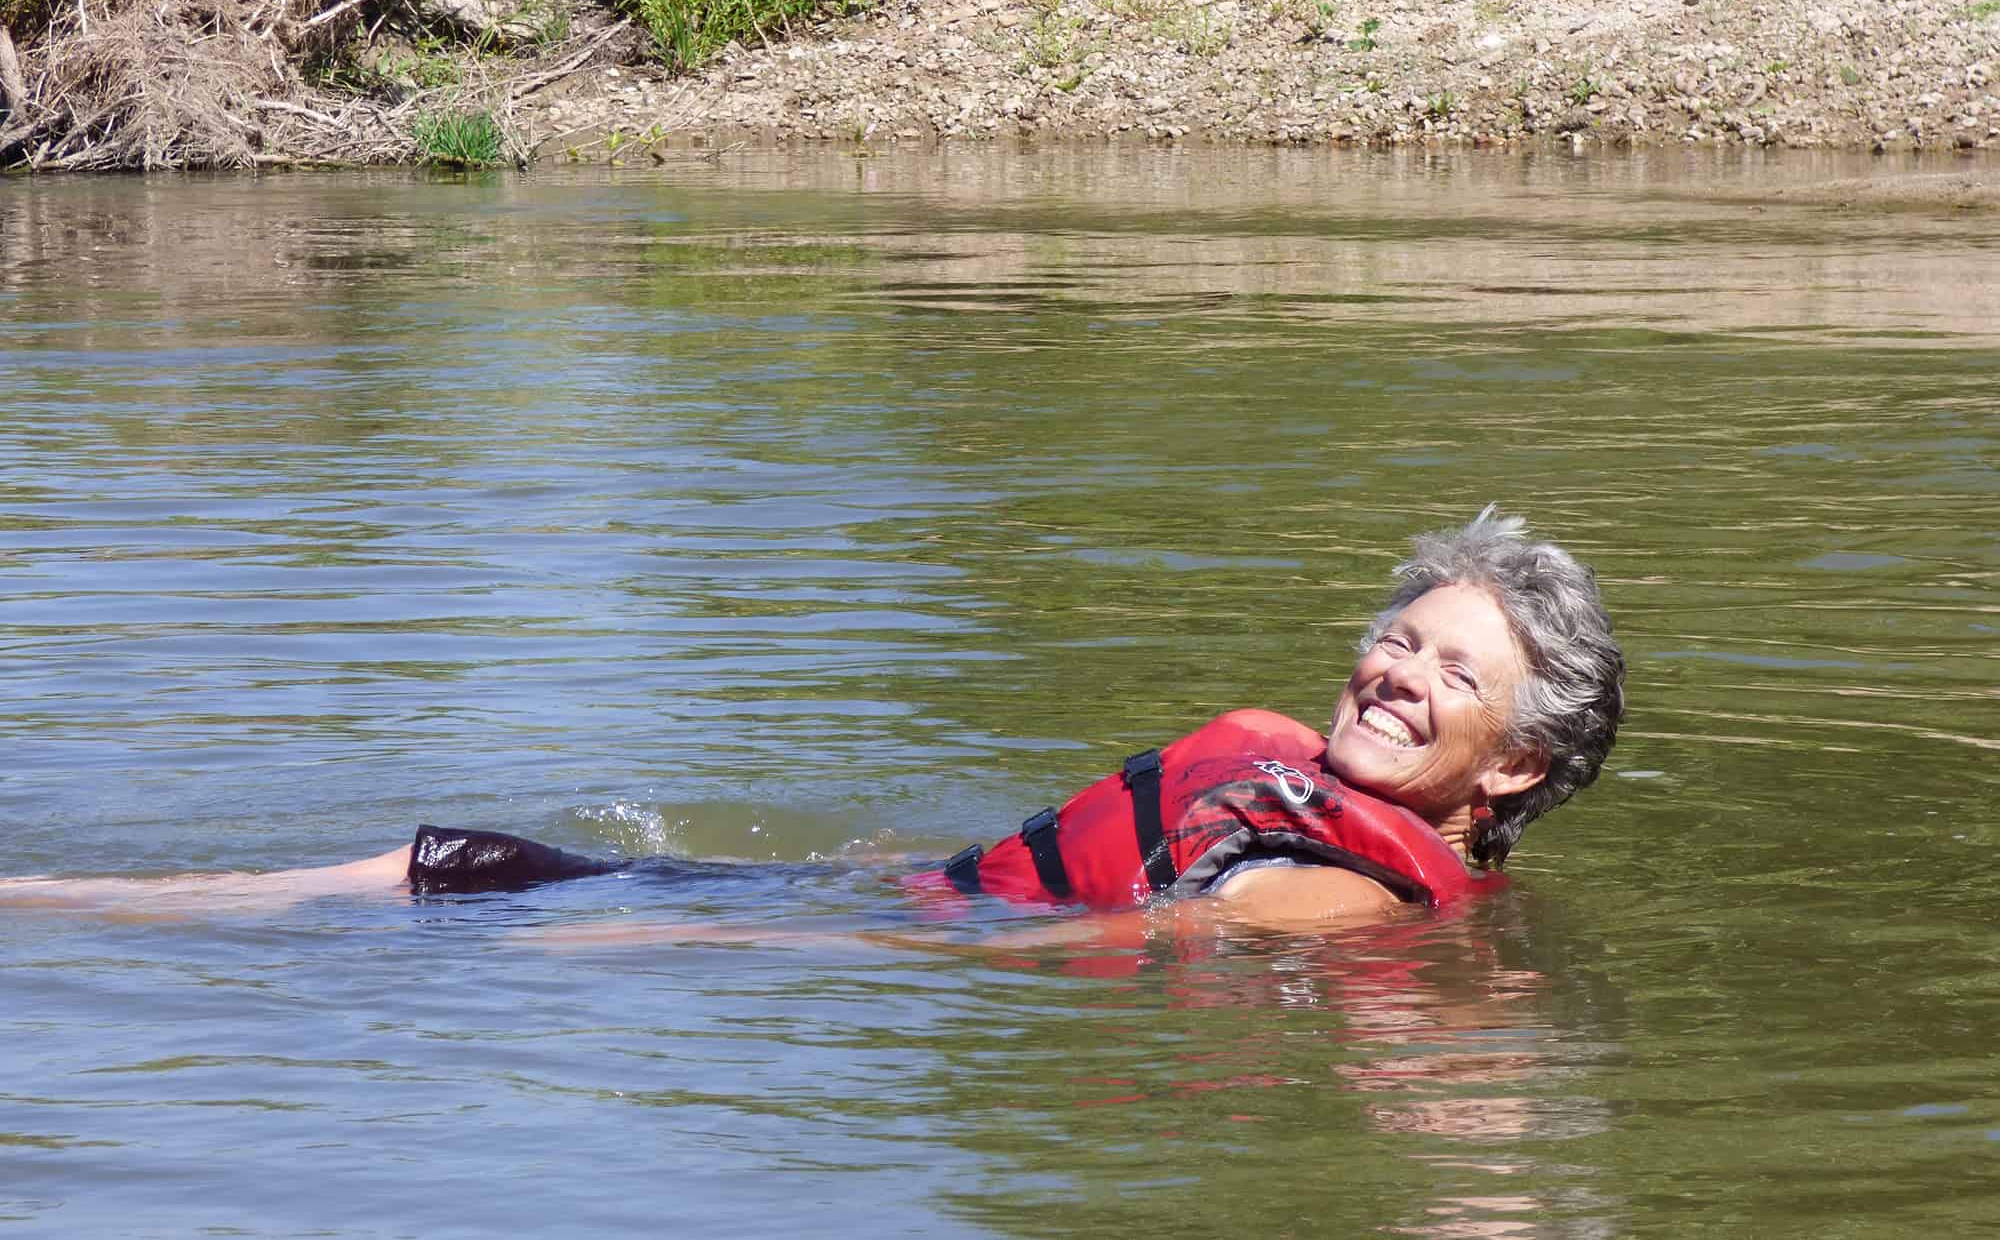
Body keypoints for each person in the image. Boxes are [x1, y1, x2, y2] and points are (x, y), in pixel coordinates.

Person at [1, 507, 1624, 928]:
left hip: (836, 936)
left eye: (1449, 672)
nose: (1395, 671)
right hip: (868, 898)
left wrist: (753, 943)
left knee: (455, 879)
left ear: (1520, 761)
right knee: (445, 874)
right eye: (1397, 636)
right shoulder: (1352, 833)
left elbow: (1144, 943)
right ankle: (55, 900)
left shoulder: (1360, 894)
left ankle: (56, 901)